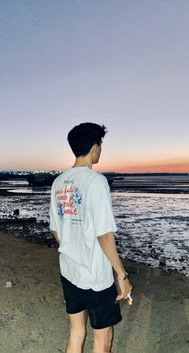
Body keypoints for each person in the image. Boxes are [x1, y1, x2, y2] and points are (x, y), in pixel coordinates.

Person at [49, 122, 133, 353]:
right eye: (101, 146)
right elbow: (104, 234)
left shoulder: (58, 183)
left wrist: (74, 248)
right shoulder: (95, 182)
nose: (101, 151)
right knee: (102, 340)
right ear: (95, 148)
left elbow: (56, 231)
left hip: (69, 269)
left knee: (76, 332)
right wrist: (121, 274)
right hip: (95, 276)